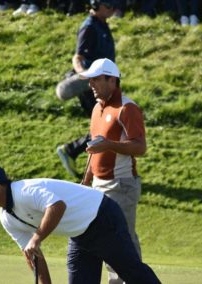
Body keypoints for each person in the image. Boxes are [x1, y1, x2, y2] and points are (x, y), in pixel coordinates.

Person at [0, 163, 161, 284]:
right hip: (79, 235)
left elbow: (57, 206)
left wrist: (37, 237)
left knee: (133, 273)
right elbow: (32, 254)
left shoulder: (25, 191)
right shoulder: (6, 217)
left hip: (102, 216)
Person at [80, 58, 147, 284]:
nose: (91, 85)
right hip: (99, 185)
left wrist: (108, 144)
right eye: (90, 80)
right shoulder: (97, 108)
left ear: (112, 80)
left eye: (97, 79)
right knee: (110, 238)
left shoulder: (127, 108)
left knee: (121, 240)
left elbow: (140, 147)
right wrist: (86, 182)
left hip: (121, 184)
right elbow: (94, 150)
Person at [55, 0, 116, 177]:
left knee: (106, 126)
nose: (112, 9)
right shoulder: (89, 27)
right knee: (106, 125)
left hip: (103, 83)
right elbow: (78, 57)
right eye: (108, 5)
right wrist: (84, 74)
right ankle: (72, 152)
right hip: (89, 84)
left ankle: (76, 153)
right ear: (96, 5)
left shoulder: (102, 24)